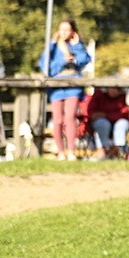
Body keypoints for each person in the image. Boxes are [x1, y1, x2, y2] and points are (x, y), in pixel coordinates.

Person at [39, 18, 90, 160]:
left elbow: (85, 60)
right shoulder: (53, 47)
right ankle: (60, 152)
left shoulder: (76, 46)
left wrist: (77, 47)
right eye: (62, 29)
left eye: (67, 30)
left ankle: (71, 151)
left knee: (70, 117)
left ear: (73, 31)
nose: (64, 32)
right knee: (57, 120)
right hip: (57, 86)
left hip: (73, 85)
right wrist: (61, 59)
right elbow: (45, 65)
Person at [86, 85, 129, 160]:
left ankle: (116, 149)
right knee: (103, 123)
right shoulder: (99, 94)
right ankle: (102, 149)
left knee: (122, 124)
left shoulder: (123, 97)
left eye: (118, 89)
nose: (115, 91)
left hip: (117, 122)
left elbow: (125, 113)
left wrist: (106, 115)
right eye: (113, 88)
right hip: (101, 123)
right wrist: (110, 116)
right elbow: (92, 113)